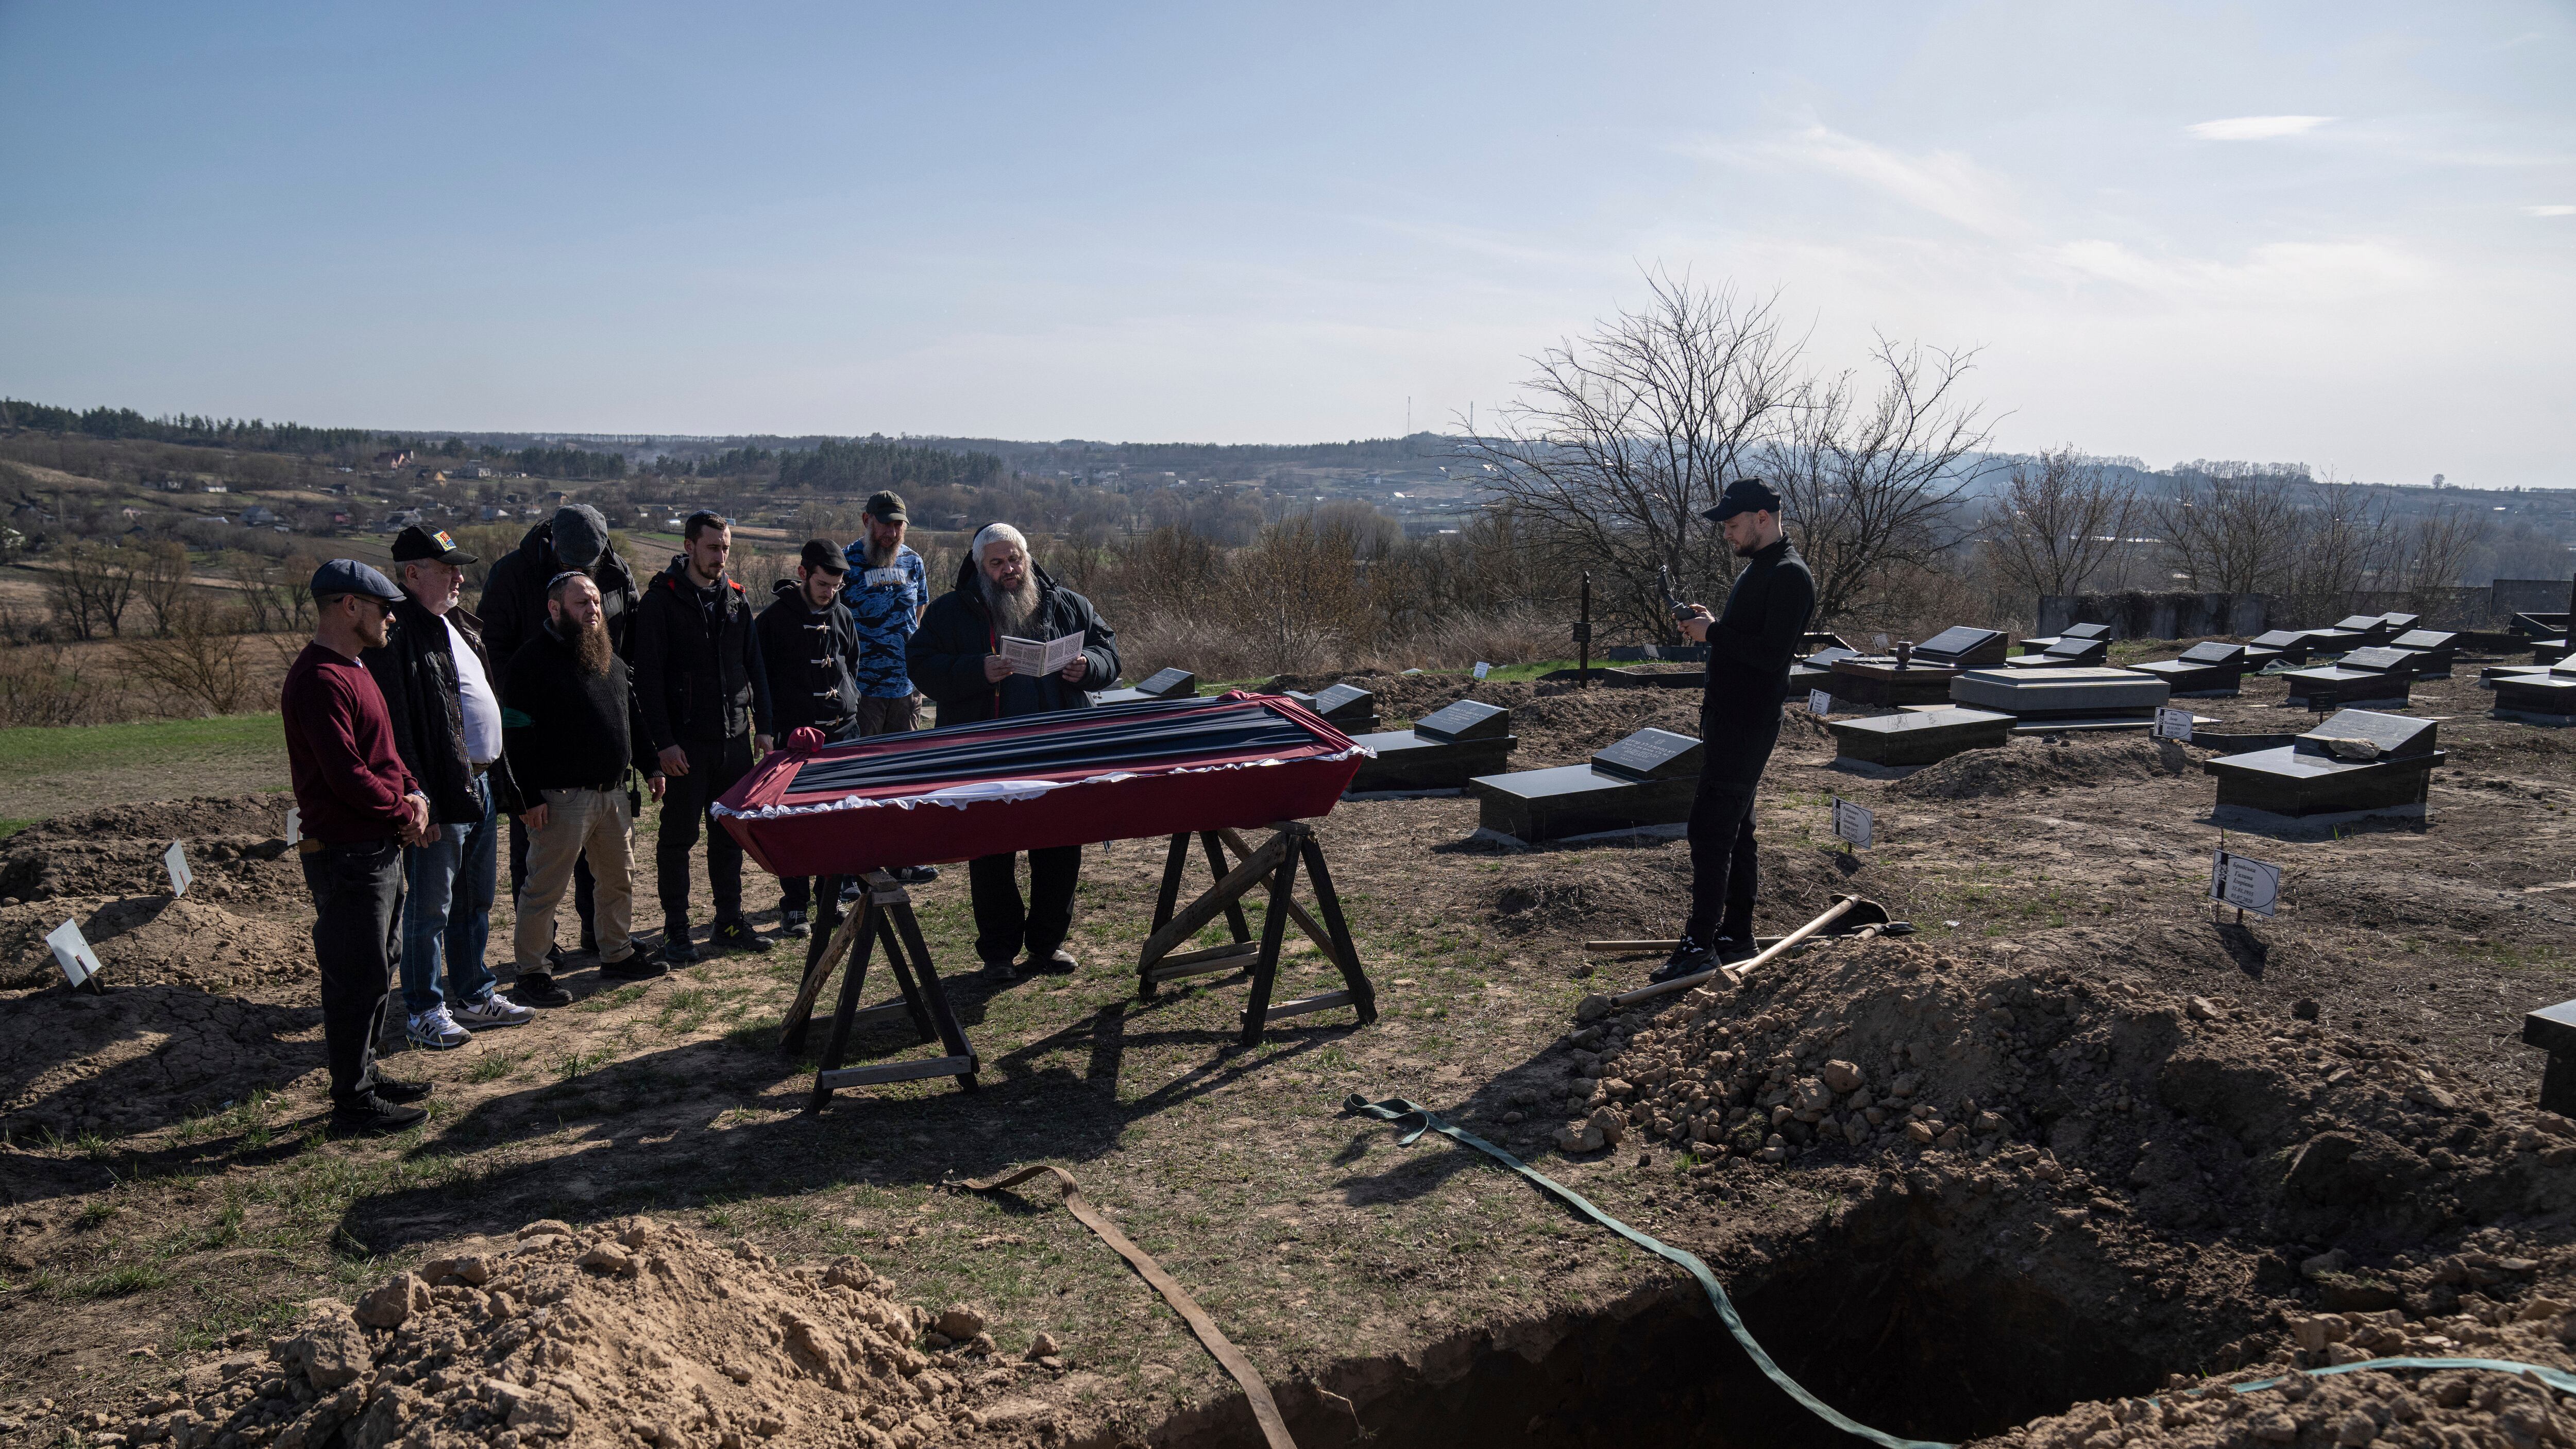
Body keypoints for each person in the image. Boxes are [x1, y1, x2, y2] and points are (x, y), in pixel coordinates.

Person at [908, 522, 1118, 978]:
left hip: (1057, 750)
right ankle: (999, 952)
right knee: (991, 851)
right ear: (979, 566)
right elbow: (921, 665)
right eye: (998, 563)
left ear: (1028, 557)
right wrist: (976, 670)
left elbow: (1109, 650)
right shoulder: (949, 612)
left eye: (1015, 559)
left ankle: (1047, 945)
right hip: (987, 754)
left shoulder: (1067, 603)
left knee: (1060, 846)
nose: (1009, 569)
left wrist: (1089, 666)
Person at [362, 525, 536, 1045]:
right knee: (429, 909)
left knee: (474, 902)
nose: (460, 578)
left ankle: (474, 995)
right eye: (448, 569)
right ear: (413, 573)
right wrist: (421, 800)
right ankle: (423, 1009)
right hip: (437, 794)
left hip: (477, 784)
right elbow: (397, 727)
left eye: (460, 568)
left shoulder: (456, 624)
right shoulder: (397, 636)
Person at [280, 559, 436, 1133]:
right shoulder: (320, 678)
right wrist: (404, 811)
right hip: (347, 853)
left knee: (379, 965)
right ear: (349, 606)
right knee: (356, 975)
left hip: (374, 845)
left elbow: (384, 756)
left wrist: (415, 793)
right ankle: (352, 1100)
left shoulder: (356, 668)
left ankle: (365, 1074)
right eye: (382, 607)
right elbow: (346, 774)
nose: (391, 617)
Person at [1655, 477, 1816, 983]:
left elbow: (1771, 655)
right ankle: (1735, 935)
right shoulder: (1762, 566)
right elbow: (1749, 635)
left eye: (1731, 524)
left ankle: (1698, 944)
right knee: (1738, 829)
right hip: (1730, 719)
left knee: (1709, 830)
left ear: (1761, 518)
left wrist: (1714, 632)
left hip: (1747, 723)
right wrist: (1713, 623)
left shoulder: (1790, 575)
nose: (1726, 533)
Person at [480, 503, 641, 971]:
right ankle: (539, 957)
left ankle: (604, 940)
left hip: (602, 762)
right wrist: (534, 685)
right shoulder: (513, 575)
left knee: (612, 871)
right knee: (542, 871)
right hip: (545, 752)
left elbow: (628, 637)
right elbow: (491, 646)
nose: (591, 604)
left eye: (589, 566)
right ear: (552, 544)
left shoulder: (615, 572)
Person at [506, 571, 667, 984]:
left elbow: (632, 716)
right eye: (582, 603)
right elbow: (516, 735)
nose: (594, 609)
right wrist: (527, 796)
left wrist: (651, 765)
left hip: (612, 795)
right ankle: (532, 971)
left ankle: (617, 953)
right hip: (559, 800)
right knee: (545, 888)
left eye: (596, 601)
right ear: (555, 608)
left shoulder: (609, 658)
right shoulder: (530, 661)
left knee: (617, 880)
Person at [632, 510, 775, 964]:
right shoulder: (661, 601)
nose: (721, 556)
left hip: (734, 740)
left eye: (726, 547)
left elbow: (756, 666)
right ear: (690, 546)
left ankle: (729, 921)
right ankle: (676, 929)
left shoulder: (735, 599)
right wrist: (663, 743)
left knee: (728, 834)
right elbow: (647, 682)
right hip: (685, 746)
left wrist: (764, 726)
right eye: (713, 547)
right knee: (678, 838)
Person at [756, 540, 863, 937]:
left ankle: (830, 897)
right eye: (823, 584)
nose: (830, 592)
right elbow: (761, 680)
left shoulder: (844, 615)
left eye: (836, 586)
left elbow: (851, 663)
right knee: (795, 822)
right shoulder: (772, 620)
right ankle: (795, 905)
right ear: (803, 573)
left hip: (842, 733)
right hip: (794, 739)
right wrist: (772, 727)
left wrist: (845, 704)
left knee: (837, 818)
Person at [840, 491, 929, 737]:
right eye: (885, 524)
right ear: (866, 520)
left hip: (906, 689)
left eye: (898, 525)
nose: (892, 533)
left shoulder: (914, 562)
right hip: (862, 690)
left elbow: (919, 609)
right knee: (862, 756)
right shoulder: (846, 563)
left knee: (904, 757)